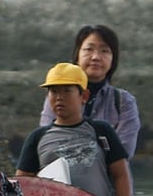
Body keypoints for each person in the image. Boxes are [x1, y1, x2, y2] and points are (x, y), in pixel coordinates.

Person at [17, 62, 131, 196]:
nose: (59, 97)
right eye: (54, 91)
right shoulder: (37, 138)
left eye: (67, 91)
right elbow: (21, 187)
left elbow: (121, 176)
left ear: (83, 96)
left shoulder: (101, 131)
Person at [39, 24, 140, 159]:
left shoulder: (124, 102)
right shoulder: (58, 96)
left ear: (113, 59)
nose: (96, 57)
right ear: (77, 55)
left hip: (107, 180)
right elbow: (47, 142)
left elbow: (124, 152)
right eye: (89, 49)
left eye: (104, 51)